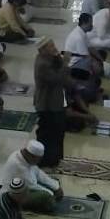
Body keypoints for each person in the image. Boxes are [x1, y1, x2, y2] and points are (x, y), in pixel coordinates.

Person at [33, 37, 68, 168]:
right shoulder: (42, 64)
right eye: (50, 46)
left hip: (56, 101)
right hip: (47, 104)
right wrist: (65, 62)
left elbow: (58, 67)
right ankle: (43, 160)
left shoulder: (48, 58)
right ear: (42, 50)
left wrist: (58, 56)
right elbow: (58, 78)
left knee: (57, 131)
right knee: (47, 133)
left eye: (53, 44)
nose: (54, 47)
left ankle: (54, 158)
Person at [2, 140, 63, 213]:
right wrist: (51, 194)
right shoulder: (18, 165)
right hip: (15, 195)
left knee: (54, 181)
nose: (39, 161)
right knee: (46, 198)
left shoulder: (25, 157)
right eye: (38, 159)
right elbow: (32, 185)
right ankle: (24, 208)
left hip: (28, 184)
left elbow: (38, 172)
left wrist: (56, 186)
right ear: (31, 155)